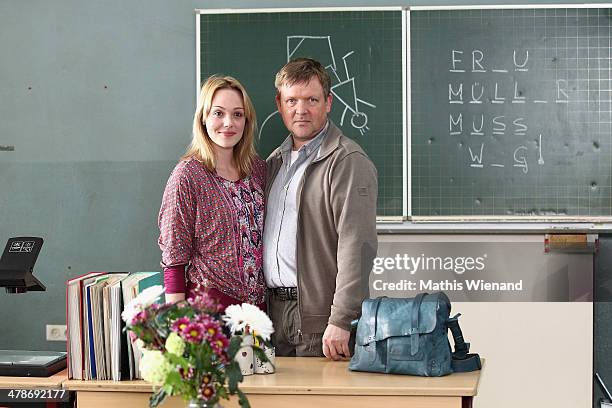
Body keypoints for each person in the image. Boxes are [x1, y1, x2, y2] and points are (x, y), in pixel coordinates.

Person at [263, 58, 378, 360]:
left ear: (328, 102)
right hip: (271, 316)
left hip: (319, 321)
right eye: (292, 101)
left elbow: (358, 245)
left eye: (311, 100)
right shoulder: (275, 162)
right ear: (279, 104)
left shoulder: (346, 160)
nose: (301, 110)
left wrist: (341, 319)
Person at [158, 75, 266, 310]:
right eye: (218, 113)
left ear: (246, 121)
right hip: (209, 314)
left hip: (260, 315)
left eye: (237, 114)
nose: (228, 123)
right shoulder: (188, 175)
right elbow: (174, 259)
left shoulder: (258, 170)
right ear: (203, 118)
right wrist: (178, 326)